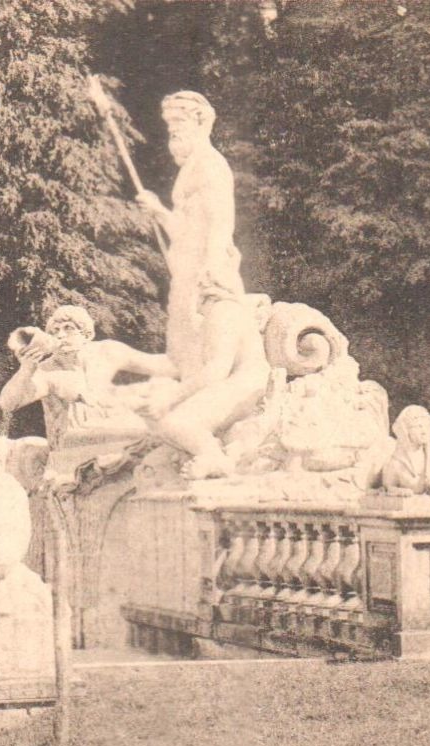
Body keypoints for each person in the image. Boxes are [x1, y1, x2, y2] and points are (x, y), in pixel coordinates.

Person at [134, 91, 270, 478]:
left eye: (178, 127)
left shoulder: (210, 165)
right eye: (170, 129)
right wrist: (160, 211)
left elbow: (219, 226)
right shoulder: (192, 167)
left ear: (199, 123)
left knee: (179, 413)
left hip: (241, 382)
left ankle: (214, 452)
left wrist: (210, 266)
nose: (172, 136)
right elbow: (189, 232)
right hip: (196, 268)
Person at [0, 304, 173, 454]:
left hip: (115, 438)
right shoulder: (47, 370)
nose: (60, 335)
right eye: (55, 331)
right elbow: (7, 403)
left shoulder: (107, 352)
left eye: (69, 328)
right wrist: (26, 369)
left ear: (87, 335)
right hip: (71, 449)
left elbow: (163, 366)